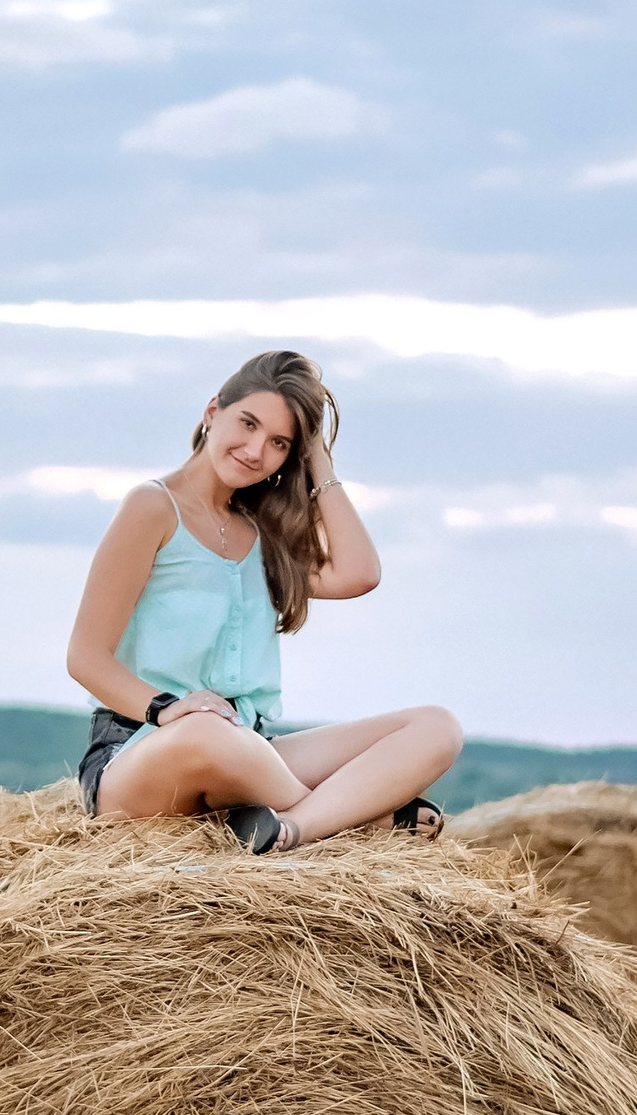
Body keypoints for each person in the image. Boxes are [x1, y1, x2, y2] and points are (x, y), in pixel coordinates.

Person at [65, 347, 462, 855]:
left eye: (279, 443)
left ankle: (293, 829)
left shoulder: (261, 532)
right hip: (142, 755)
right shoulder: (152, 507)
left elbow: (360, 573)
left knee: (436, 727)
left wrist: (320, 462)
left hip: (249, 750)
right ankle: (360, 821)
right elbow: (85, 657)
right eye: (247, 424)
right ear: (213, 412)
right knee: (206, 732)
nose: (256, 451)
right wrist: (167, 711)